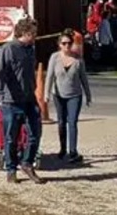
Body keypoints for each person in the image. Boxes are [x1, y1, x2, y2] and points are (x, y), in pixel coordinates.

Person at [0, 17, 45, 185]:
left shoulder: (31, 49)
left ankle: (27, 163)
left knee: (35, 132)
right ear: (24, 33)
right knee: (11, 137)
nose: (35, 37)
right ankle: (10, 169)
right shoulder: (9, 49)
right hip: (11, 101)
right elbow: (1, 72)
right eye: (33, 34)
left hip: (29, 98)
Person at [44, 29, 92, 163]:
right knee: (61, 122)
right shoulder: (54, 57)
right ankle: (62, 149)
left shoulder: (78, 60)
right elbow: (49, 77)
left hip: (74, 95)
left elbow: (83, 78)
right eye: (64, 43)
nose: (67, 46)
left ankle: (73, 151)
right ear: (59, 44)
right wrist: (46, 94)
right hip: (58, 95)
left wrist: (88, 95)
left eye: (69, 43)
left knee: (72, 122)